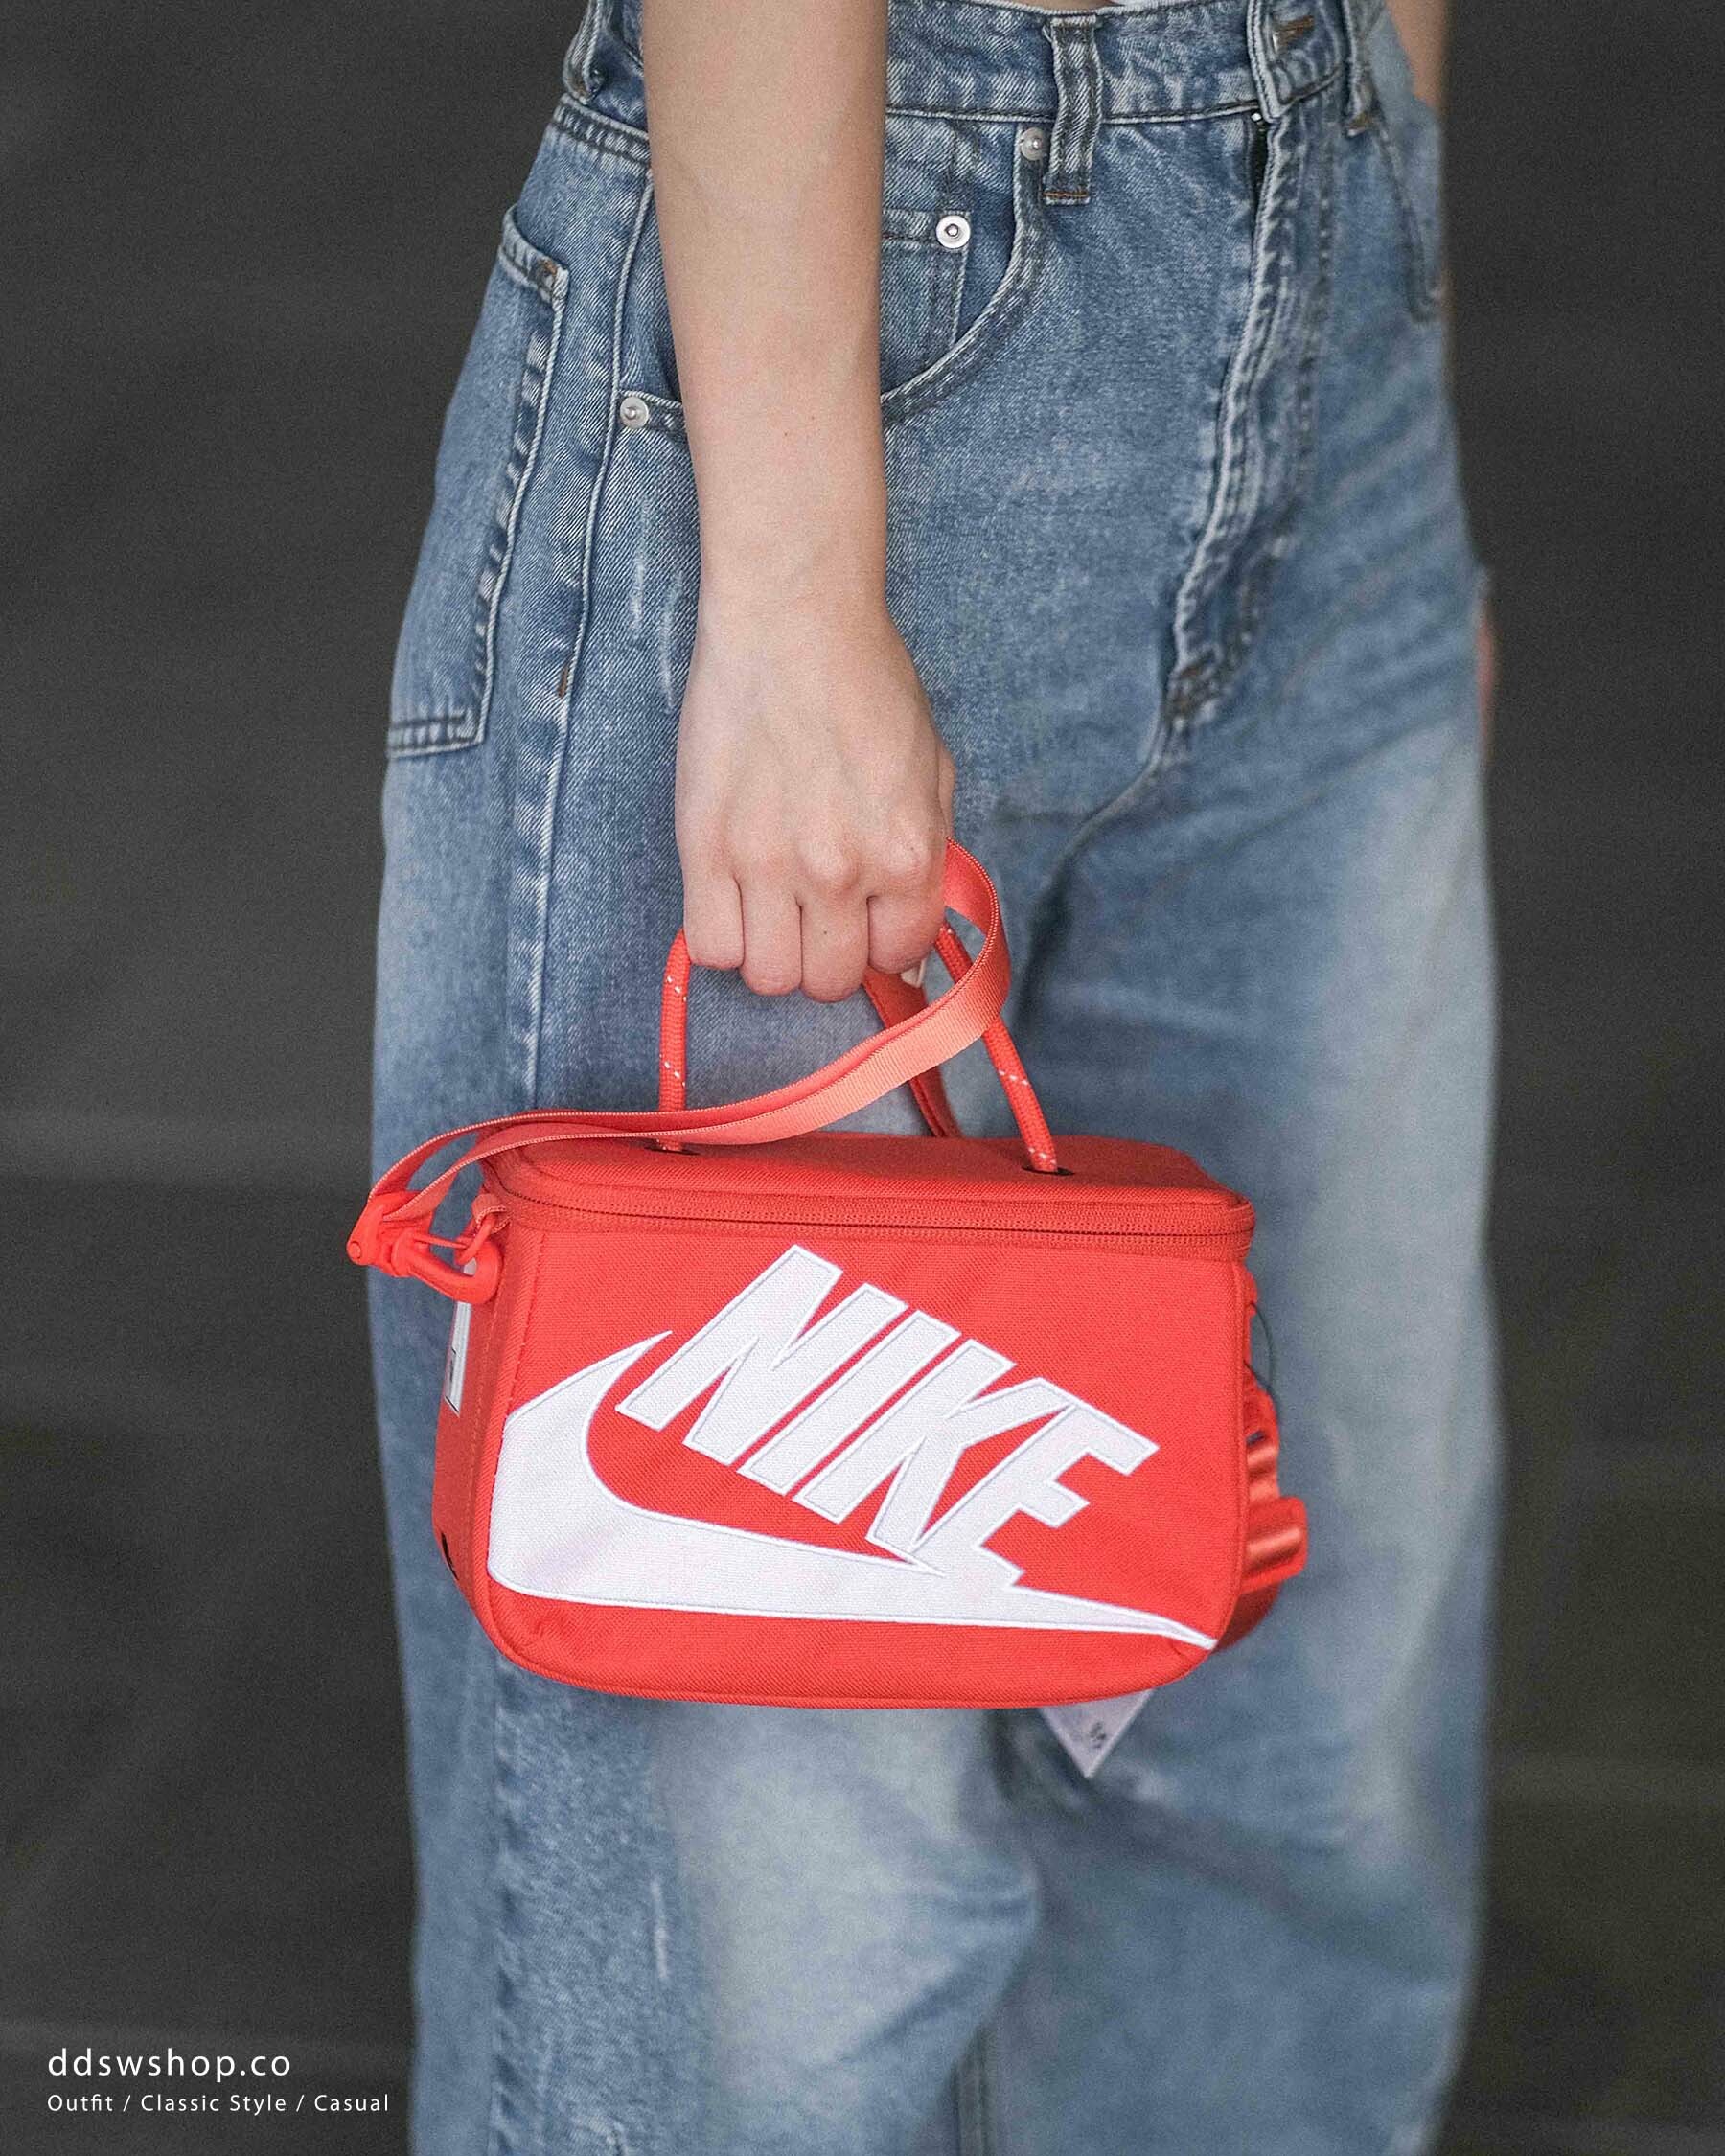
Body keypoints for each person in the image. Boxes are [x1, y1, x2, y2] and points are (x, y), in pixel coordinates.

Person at [367, 0, 1497, 2147]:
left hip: (1332, 270)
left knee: (1294, 1727)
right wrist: (794, 598)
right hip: (865, 325)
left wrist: (1396, 350)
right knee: (765, 1926)